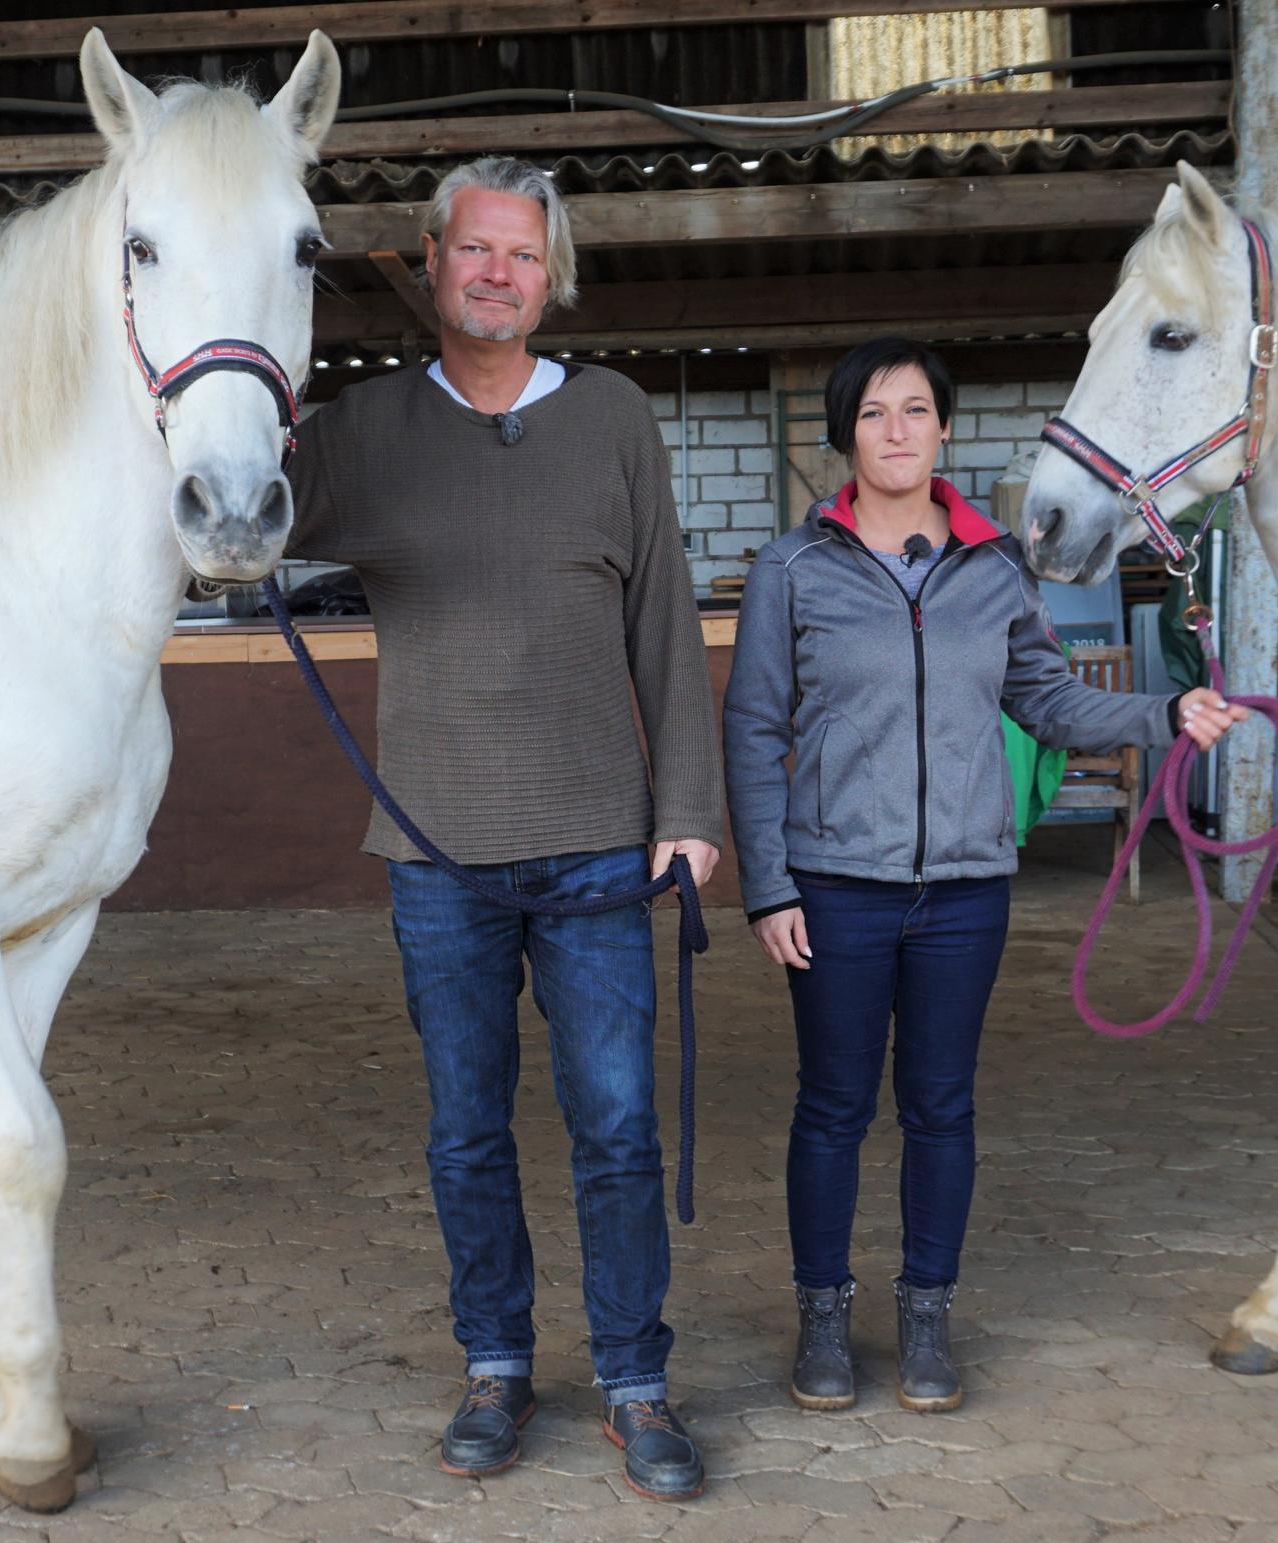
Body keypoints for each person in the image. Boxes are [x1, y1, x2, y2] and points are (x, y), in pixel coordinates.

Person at [285, 156, 723, 1501]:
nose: (496, 274)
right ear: (431, 260)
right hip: (437, 850)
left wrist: (689, 810)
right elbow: (232, 522)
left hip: (598, 840)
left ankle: (636, 1379)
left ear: (551, 276)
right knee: (466, 1126)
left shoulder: (613, 420)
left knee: (616, 1119)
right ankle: (495, 1361)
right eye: (475, 250)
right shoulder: (357, 434)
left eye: (522, 256)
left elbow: (664, 622)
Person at [721, 337, 1248, 1414]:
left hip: (963, 887)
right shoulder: (790, 570)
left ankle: (925, 1319)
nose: (898, 429)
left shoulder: (995, 568)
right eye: (873, 413)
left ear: (945, 429)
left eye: (916, 409)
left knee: (940, 1106)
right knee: (830, 1105)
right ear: (843, 436)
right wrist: (768, 885)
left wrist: (1164, 713)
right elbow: (750, 728)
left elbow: (1047, 700)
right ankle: (822, 1316)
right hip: (834, 884)